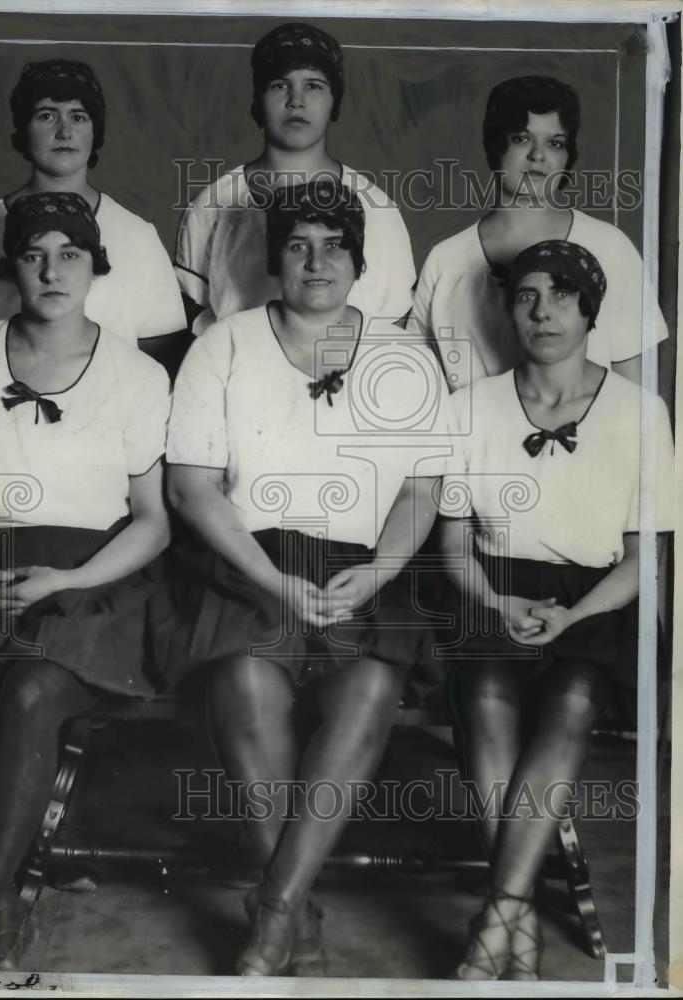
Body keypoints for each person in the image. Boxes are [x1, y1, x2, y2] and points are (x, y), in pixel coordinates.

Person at [167, 179, 452, 976]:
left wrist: (378, 574)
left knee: (367, 690)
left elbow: (421, 492)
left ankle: (277, 905)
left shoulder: (406, 358)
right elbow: (191, 488)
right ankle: (296, 908)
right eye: (298, 244)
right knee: (249, 684)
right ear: (274, 260)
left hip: (362, 569)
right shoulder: (224, 343)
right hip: (244, 560)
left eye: (334, 245)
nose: (317, 260)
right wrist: (272, 578)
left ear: (359, 262)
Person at [0, 192, 177, 970]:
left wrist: (70, 576)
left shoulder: (134, 373)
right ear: (9, 268)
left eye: (70, 254)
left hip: (95, 578)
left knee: (31, 694)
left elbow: (154, 521)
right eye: (33, 254)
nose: (52, 270)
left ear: (96, 266)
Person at [437, 241, 674, 980]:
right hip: (493, 586)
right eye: (527, 296)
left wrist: (570, 621)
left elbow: (644, 560)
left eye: (563, 296)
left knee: (572, 696)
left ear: (590, 310)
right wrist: (493, 599)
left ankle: (500, 914)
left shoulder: (642, 412)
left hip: (597, 598)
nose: (543, 312)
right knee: (484, 693)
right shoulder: (470, 407)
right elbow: (451, 547)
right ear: (507, 310)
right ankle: (520, 914)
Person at [411, 76, 667, 390]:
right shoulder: (446, 260)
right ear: (494, 145)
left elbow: (636, 399)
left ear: (567, 155)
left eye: (555, 143)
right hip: (477, 437)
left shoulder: (610, 247)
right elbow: (416, 390)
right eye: (521, 138)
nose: (538, 155)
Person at [0, 58, 185, 347]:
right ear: (23, 128)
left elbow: (163, 358)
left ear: (95, 130)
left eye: (78, 117)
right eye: (47, 115)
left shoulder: (138, 235)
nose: (64, 131)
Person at [174, 21, 416, 334]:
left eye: (313, 85)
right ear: (258, 99)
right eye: (279, 85)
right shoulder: (213, 205)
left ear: (335, 100)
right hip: (242, 378)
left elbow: (396, 326)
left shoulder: (378, 208)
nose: (296, 100)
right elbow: (191, 326)